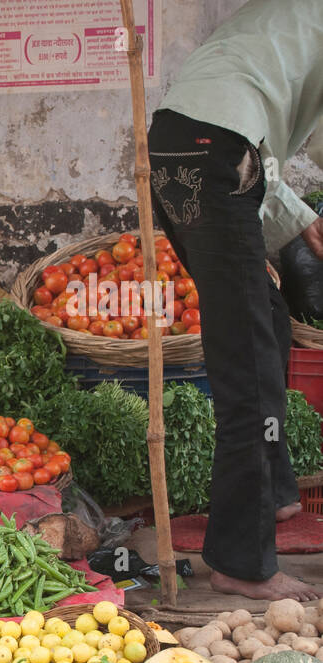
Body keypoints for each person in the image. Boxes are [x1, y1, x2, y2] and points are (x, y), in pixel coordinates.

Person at [147, 0, 323, 601]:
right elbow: (247, 145)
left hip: (175, 143)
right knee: (246, 356)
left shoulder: (278, 18)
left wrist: (296, 219)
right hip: (217, 148)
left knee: (265, 320)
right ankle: (242, 562)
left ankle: (270, 495)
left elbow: (252, 145)